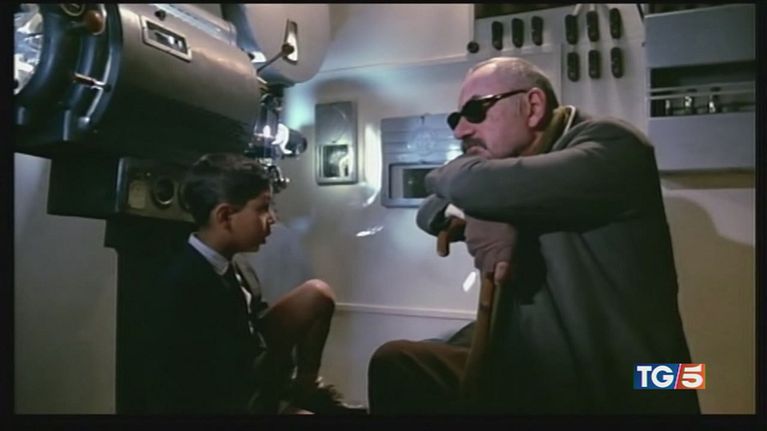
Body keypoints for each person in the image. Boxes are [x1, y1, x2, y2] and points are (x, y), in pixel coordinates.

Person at [367, 57, 700, 414]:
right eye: (455, 119)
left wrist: (476, 197)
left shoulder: (615, 145)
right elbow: (439, 202)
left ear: (533, 106)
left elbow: (468, 183)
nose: (460, 130)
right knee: (397, 364)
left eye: (476, 111)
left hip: (638, 373)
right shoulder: (508, 172)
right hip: (540, 363)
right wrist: (476, 213)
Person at [145, 152, 362, 414]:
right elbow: (200, 381)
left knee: (317, 293)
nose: (272, 218)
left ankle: (305, 389)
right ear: (225, 216)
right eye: (261, 208)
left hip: (255, 369)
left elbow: (259, 324)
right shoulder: (185, 281)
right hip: (228, 394)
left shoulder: (238, 265)